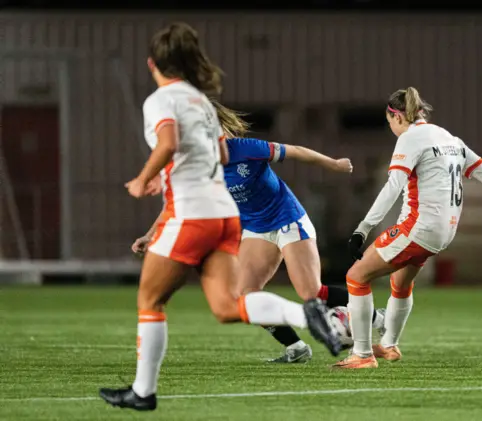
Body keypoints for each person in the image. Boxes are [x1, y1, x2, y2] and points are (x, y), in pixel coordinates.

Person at [98, 22, 341, 412]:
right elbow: (222, 158)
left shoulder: (161, 100)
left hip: (193, 215)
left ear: (152, 64)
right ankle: (306, 314)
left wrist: (144, 179)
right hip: (226, 218)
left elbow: (168, 143)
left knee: (150, 299)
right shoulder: (202, 104)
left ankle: (143, 393)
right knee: (229, 305)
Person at [333, 87, 482, 369]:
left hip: (419, 228)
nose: (391, 128)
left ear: (396, 116)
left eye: (390, 122)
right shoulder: (451, 140)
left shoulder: (410, 139)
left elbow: (392, 188)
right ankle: (389, 346)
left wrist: (363, 229)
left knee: (356, 276)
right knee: (401, 283)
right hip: (444, 232)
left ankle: (363, 355)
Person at [134, 136, 387, 363]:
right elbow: (177, 205)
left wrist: (334, 164)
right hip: (256, 229)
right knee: (245, 294)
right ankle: (296, 348)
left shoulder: (244, 148)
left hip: (288, 219)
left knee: (311, 292)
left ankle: (376, 318)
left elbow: (296, 150)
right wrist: (149, 234)